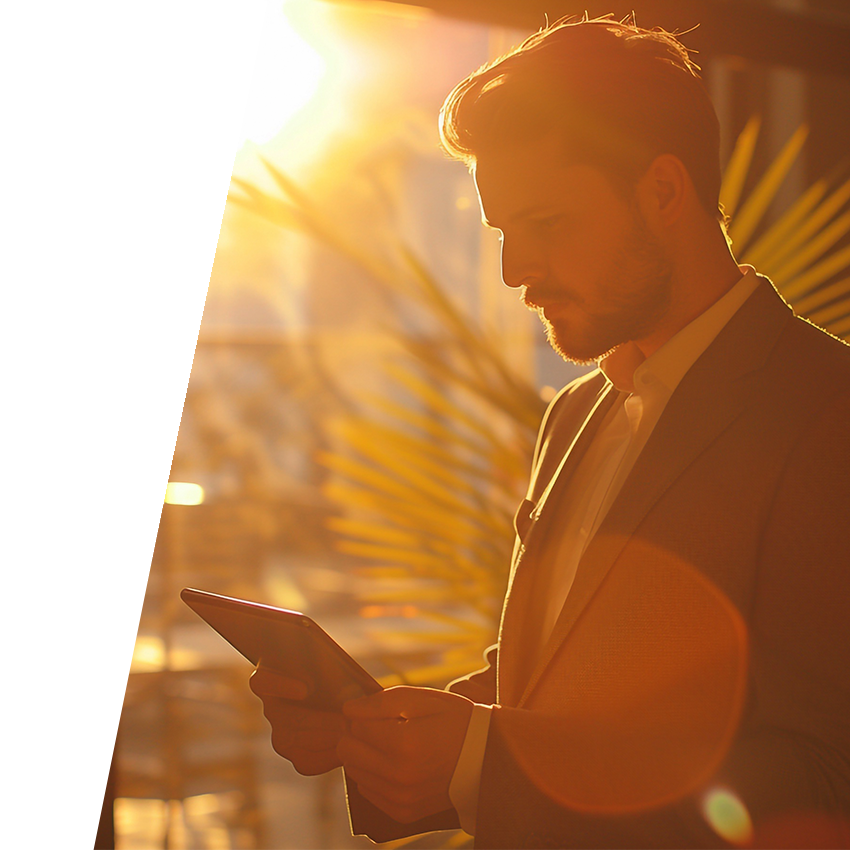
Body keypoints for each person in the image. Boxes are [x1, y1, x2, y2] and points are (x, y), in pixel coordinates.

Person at [250, 15, 850, 848]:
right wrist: (379, 737)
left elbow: (822, 782)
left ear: (664, 192)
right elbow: (547, 689)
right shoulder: (576, 414)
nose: (512, 270)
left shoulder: (828, 413)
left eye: (547, 224)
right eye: (502, 231)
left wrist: (480, 763)